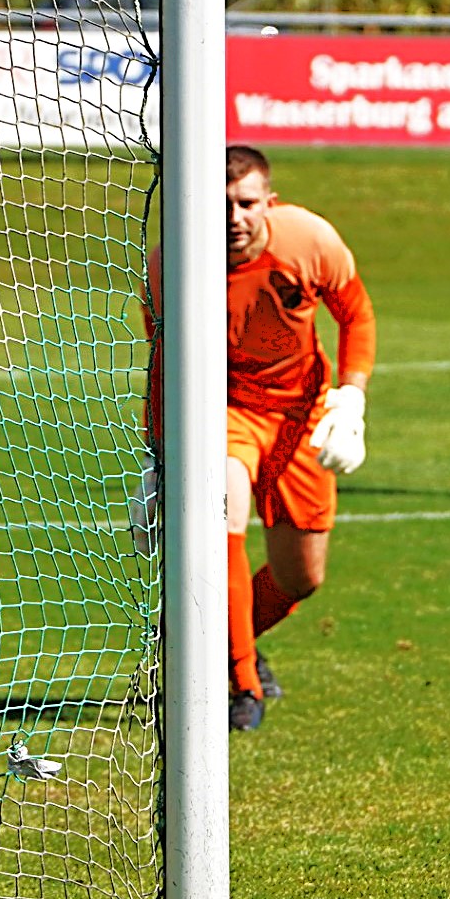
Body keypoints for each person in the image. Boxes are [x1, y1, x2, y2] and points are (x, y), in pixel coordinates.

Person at [139, 145, 377, 733]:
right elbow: (163, 363)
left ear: (269, 201)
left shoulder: (309, 239)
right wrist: (157, 457)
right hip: (226, 411)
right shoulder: (171, 265)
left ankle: (201, 640)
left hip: (302, 413)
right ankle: (243, 683)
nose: (234, 217)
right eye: (221, 204)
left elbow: (357, 315)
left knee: (301, 577)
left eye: (246, 203)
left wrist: (352, 398)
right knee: (225, 522)